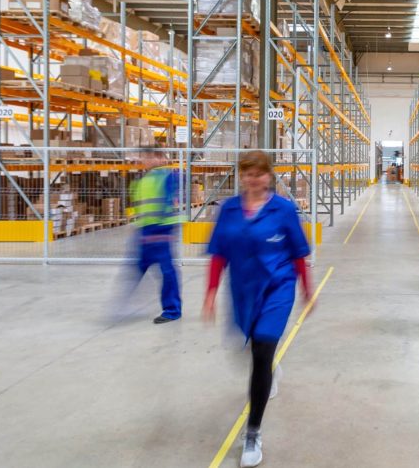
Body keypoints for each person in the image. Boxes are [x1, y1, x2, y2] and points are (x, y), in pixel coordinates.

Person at [202, 150, 313, 468]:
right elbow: (219, 253)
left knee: (262, 350)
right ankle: (270, 367)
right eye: (247, 173)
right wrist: (210, 292)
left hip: (278, 289)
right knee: (248, 350)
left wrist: (306, 288)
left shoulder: (284, 209)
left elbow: (298, 253)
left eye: (259, 173)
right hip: (242, 292)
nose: (253, 179)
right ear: (242, 176)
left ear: (269, 176)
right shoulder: (229, 210)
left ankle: (253, 432)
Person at [126, 148, 182, 324]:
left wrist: (165, 229)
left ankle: (172, 310)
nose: (147, 160)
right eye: (145, 157)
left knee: (167, 271)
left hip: (161, 230)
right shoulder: (141, 181)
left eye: (151, 157)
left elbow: (169, 200)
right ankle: (121, 304)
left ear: (160, 158)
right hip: (144, 230)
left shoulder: (166, 176)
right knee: (137, 268)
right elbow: (139, 207)